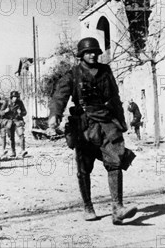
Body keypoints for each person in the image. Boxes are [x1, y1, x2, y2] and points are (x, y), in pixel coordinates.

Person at [48, 37, 137, 224]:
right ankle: (88, 207)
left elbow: (115, 96)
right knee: (84, 167)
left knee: (116, 160)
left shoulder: (106, 71)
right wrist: (54, 115)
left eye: (96, 52)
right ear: (81, 55)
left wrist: (121, 122)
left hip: (106, 121)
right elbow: (59, 96)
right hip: (84, 125)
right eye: (89, 52)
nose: (93, 55)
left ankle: (117, 208)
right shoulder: (73, 74)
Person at [8, 90, 28, 158]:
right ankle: (13, 152)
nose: (15, 98)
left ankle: (23, 150)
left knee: (21, 135)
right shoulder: (7, 103)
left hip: (18, 121)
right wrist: (6, 112)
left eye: (16, 97)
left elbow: (25, 112)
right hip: (10, 121)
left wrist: (20, 113)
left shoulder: (20, 103)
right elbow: (2, 112)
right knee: (11, 137)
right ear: (11, 97)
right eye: (13, 97)